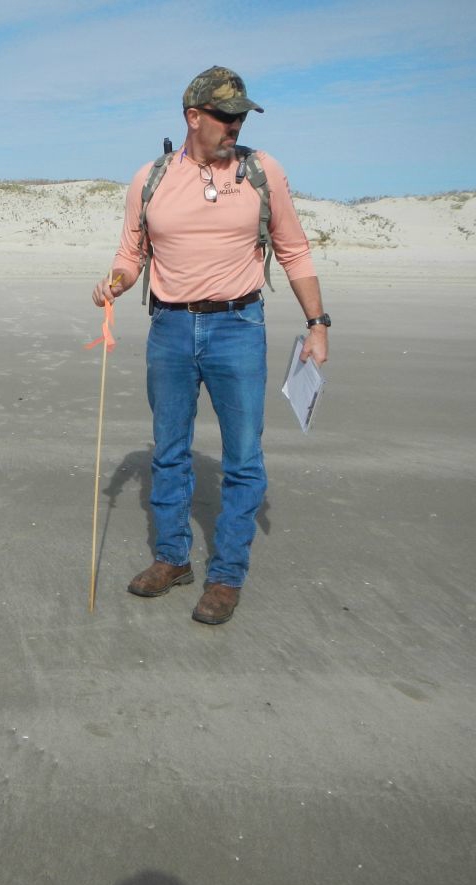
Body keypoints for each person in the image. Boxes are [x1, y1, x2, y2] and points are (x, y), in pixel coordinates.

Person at [92, 66, 329, 625]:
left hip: (238, 328)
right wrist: (116, 283)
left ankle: (226, 576)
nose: (235, 124)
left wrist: (317, 323)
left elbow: (294, 250)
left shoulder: (261, 170)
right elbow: (131, 254)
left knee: (243, 458)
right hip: (169, 329)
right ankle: (173, 559)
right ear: (192, 116)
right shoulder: (149, 178)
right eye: (225, 115)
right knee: (168, 451)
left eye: (241, 115)